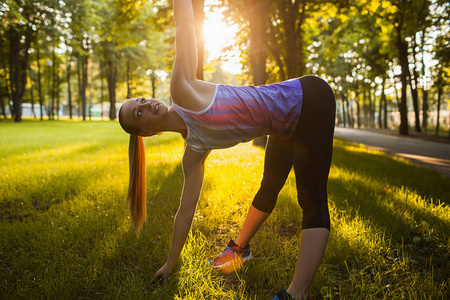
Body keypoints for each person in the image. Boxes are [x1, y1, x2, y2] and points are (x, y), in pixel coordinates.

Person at [118, 0, 336, 299]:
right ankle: (239, 250)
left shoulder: (182, 90)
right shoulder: (194, 150)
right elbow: (185, 211)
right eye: (138, 113)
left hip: (310, 99)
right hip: (284, 126)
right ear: (145, 132)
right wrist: (171, 262)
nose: (146, 104)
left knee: (311, 198)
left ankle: (296, 294)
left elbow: (184, 25)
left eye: (141, 100)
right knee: (269, 187)